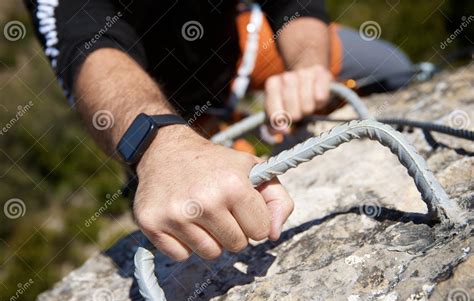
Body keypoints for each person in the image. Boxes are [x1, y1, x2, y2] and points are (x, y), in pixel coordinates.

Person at [25, 0, 413, 262]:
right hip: (159, 107)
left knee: (390, 69)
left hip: (241, 46)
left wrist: (308, 69)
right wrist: (161, 146)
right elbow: (87, 51)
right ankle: (214, 134)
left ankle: (295, 116)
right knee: (200, 234)